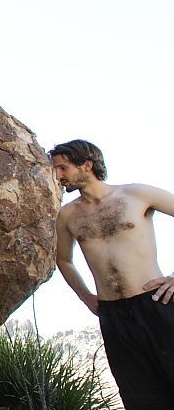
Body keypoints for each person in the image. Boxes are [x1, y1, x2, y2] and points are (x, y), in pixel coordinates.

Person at [52, 139, 174, 409]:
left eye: (63, 168)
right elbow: (64, 260)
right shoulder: (67, 216)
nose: (58, 177)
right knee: (139, 395)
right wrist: (86, 297)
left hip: (157, 303)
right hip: (113, 314)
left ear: (87, 165)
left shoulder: (136, 194)